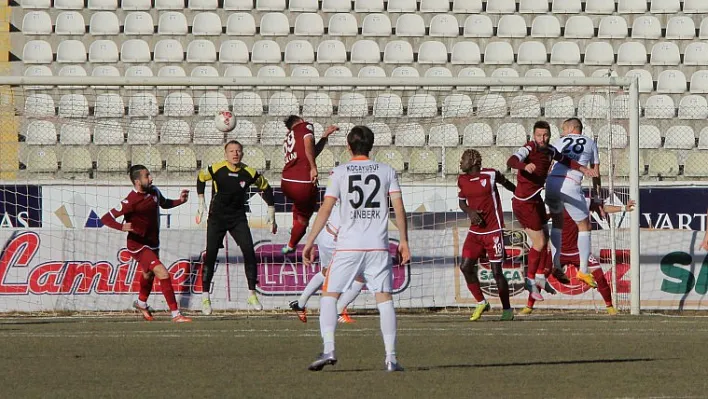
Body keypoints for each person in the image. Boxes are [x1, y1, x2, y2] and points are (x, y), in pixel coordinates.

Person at [302, 125, 410, 372]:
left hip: (348, 246)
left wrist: (310, 241)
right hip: (378, 246)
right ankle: (391, 358)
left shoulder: (339, 172)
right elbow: (398, 208)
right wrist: (404, 240)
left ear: (348, 146)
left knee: (329, 296)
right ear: (371, 146)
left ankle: (329, 348)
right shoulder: (386, 171)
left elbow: (327, 209)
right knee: (384, 299)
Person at [506, 120, 598, 301]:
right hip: (524, 202)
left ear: (549, 135)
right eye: (539, 135)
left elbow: (566, 160)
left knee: (547, 238)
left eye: (546, 135)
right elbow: (512, 160)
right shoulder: (529, 148)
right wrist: (525, 166)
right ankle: (530, 281)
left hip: (537, 199)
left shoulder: (550, 150)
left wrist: (583, 169)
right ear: (533, 136)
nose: (542, 138)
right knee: (539, 243)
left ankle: (540, 277)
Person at [100, 165, 191, 322]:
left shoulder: (154, 191)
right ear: (137, 181)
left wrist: (180, 201)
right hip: (138, 245)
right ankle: (176, 314)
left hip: (153, 242)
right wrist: (121, 226)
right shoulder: (130, 200)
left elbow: (164, 203)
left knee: (148, 275)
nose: (151, 178)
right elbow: (105, 218)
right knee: (163, 273)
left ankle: (141, 303)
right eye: (147, 176)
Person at [195, 140, 277, 314]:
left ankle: (251, 293)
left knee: (249, 251)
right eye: (231, 151)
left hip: (237, 217)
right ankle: (205, 297)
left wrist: (271, 210)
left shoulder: (249, 172)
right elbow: (201, 177)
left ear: (242, 153)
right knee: (210, 254)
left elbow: (266, 187)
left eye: (238, 151)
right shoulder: (217, 169)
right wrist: (201, 201)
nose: (235, 154)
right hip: (216, 218)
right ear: (226, 154)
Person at [521, 199, 636, 315]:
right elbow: (541, 219)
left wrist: (623, 208)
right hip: (559, 252)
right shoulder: (555, 202)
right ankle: (529, 307)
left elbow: (603, 207)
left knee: (600, 277)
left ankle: (610, 307)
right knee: (541, 277)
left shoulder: (583, 201)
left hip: (580, 252)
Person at [457, 149, 517, 322]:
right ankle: (481, 302)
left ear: (474, 160)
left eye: (464, 159)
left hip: (493, 231)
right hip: (475, 232)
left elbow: (506, 184)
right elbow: (461, 202)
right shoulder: (462, 180)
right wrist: (470, 212)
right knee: (465, 267)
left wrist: (521, 195)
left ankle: (507, 309)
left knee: (496, 272)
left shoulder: (490, 175)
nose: (461, 162)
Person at [546, 118, 602, 288]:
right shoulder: (591, 142)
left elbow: (548, 165)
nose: (562, 132)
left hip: (551, 183)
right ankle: (584, 270)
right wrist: (597, 195)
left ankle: (556, 265)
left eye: (563, 128)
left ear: (571, 128)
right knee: (584, 226)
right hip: (570, 183)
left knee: (557, 222)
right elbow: (596, 172)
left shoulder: (559, 141)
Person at [288, 199, 364, 324]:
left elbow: (325, 207)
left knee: (327, 272)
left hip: (326, 232)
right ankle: (338, 311)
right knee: (361, 275)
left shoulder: (345, 185)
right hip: (334, 238)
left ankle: (300, 304)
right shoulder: (359, 191)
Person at [280, 115, 338, 255]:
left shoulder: (290, 136)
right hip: (302, 182)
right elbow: (308, 145)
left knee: (300, 206)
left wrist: (325, 136)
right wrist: (313, 167)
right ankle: (291, 244)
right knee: (304, 219)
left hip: (286, 181)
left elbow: (311, 152)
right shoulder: (305, 126)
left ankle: (295, 227)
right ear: (300, 120)